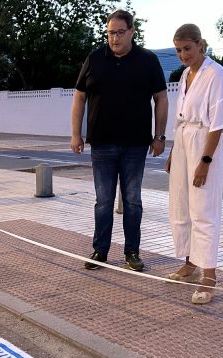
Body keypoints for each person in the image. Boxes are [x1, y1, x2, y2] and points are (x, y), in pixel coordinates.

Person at [71, 9, 168, 272]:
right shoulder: (94, 59)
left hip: (136, 145)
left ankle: (132, 252)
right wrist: (75, 133)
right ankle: (100, 251)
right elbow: (79, 96)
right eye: (110, 33)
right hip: (101, 143)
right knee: (103, 201)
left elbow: (161, 97)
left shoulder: (147, 60)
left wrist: (159, 136)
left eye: (120, 32)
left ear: (131, 32)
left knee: (133, 200)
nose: (114, 38)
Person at [164, 24, 223, 304]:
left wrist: (205, 160)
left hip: (204, 142)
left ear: (200, 44)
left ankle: (210, 275)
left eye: (187, 49)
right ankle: (190, 262)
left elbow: (219, 123)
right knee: (181, 204)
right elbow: (181, 117)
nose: (183, 55)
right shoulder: (184, 75)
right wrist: (173, 151)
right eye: (179, 50)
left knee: (203, 207)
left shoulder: (216, 74)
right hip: (183, 141)